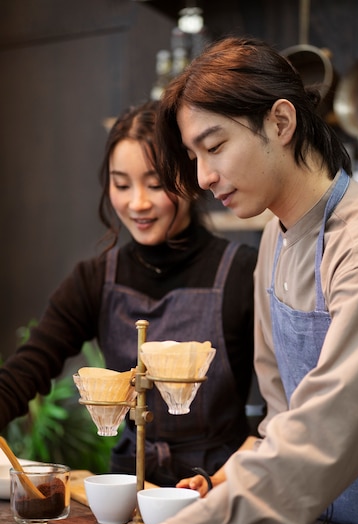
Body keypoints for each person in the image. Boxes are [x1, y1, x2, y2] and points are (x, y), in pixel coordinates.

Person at [120, 36, 358, 524]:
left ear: (280, 122)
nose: (204, 177)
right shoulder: (276, 240)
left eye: (214, 146)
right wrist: (222, 485)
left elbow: (329, 432)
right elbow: (281, 421)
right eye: (193, 157)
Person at [0, 100, 258, 486]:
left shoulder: (241, 272)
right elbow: (27, 369)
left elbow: (286, 411)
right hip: (129, 487)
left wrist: (223, 481)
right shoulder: (94, 278)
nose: (137, 203)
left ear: (191, 177)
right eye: (122, 184)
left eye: (155, 184)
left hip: (221, 487)